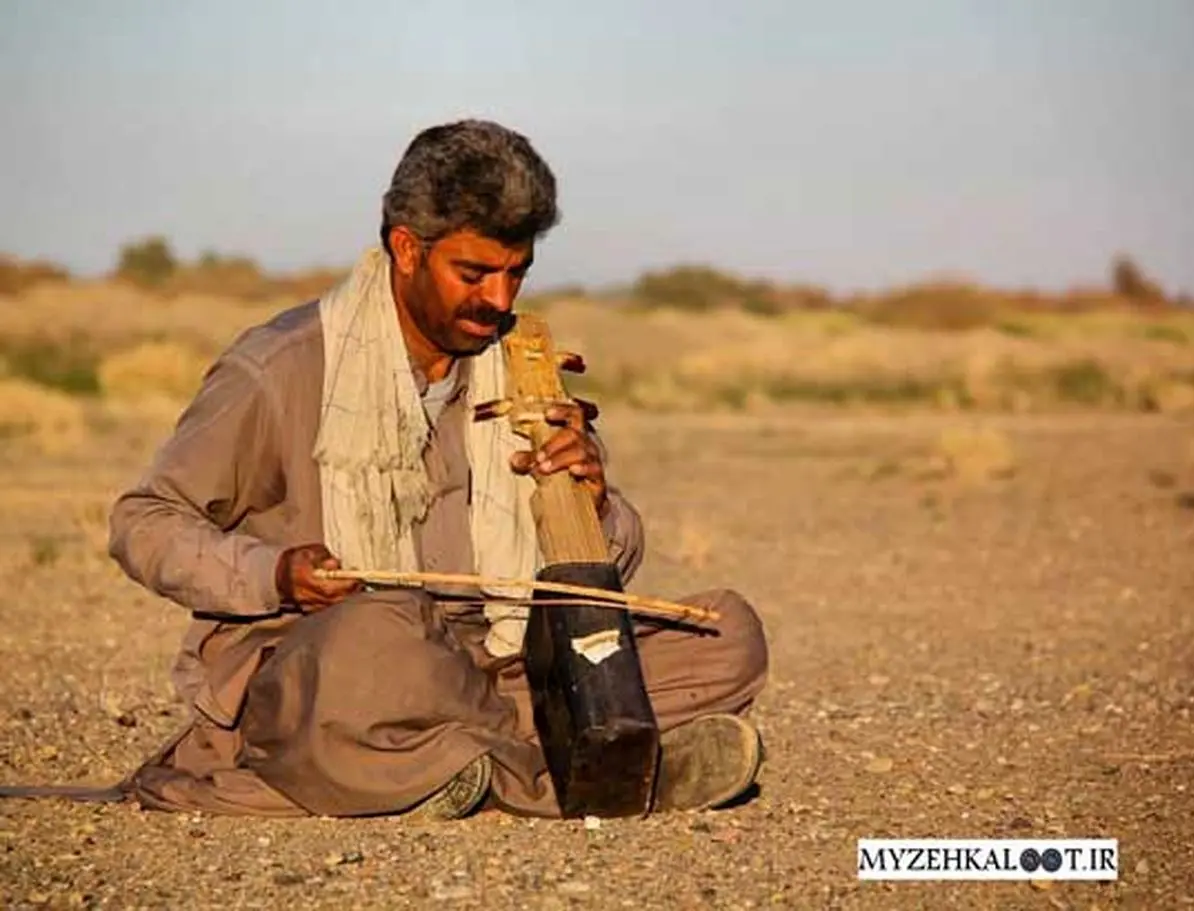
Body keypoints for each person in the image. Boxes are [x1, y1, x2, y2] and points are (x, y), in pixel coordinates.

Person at [107, 119, 769, 819]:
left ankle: (449, 762)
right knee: (380, 635)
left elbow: (598, 577)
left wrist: (592, 502)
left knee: (726, 633)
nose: (500, 301)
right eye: (474, 274)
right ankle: (575, 773)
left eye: (516, 273)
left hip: (496, 664)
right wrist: (273, 573)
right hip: (337, 663)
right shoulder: (278, 369)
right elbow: (143, 522)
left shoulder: (524, 364)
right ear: (406, 250)